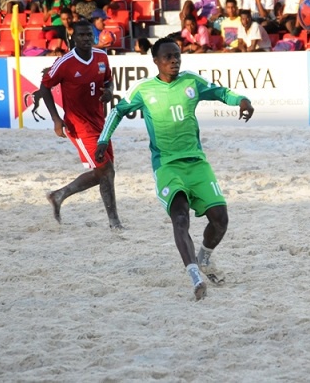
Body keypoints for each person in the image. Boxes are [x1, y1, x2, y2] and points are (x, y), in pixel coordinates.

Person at [94, 36, 255, 300]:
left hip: (197, 163)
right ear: (155, 61)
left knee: (221, 220)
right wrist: (103, 139)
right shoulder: (144, 90)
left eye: (177, 55)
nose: (174, 60)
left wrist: (242, 100)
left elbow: (221, 92)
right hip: (167, 165)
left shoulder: (191, 81)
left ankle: (204, 257)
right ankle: (195, 278)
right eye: (168, 56)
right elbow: (117, 112)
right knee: (180, 218)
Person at [37, 19, 122, 230]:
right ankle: (114, 223)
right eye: (81, 35)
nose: (85, 38)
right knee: (106, 169)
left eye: (88, 34)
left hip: (100, 122)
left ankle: (59, 195)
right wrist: (56, 119)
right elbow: (44, 87)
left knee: (106, 171)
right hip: (78, 125)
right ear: (72, 38)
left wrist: (109, 91)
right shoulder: (65, 62)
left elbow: (107, 81)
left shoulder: (102, 57)